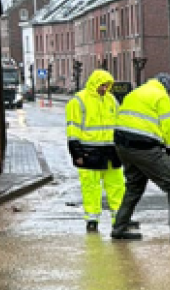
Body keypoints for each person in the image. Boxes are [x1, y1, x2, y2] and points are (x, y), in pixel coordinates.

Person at [111, 73, 170, 243]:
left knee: (134, 186)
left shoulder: (136, 92)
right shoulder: (161, 96)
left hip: (122, 145)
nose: (169, 94)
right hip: (144, 146)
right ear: (167, 87)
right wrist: (169, 149)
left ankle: (119, 228)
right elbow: (169, 126)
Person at [66, 69, 131, 233]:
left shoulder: (111, 100)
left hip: (110, 152)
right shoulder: (79, 101)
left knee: (117, 186)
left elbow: (119, 124)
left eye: (107, 85)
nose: (104, 88)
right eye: (102, 85)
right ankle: (92, 220)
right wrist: (76, 153)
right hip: (90, 152)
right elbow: (73, 129)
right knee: (91, 187)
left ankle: (120, 219)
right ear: (94, 83)